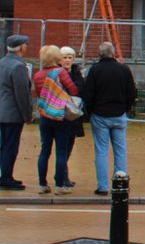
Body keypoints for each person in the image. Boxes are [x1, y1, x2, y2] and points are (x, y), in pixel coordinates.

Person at [81, 42, 137, 196]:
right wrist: (126, 107)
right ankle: (120, 183)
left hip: (99, 115)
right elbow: (132, 92)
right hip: (119, 114)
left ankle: (103, 186)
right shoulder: (124, 69)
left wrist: (90, 110)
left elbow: (88, 93)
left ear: (100, 55)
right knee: (120, 150)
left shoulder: (95, 70)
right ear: (113, 54)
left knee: (101, 151)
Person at [33, 45, 78, 195]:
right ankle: (59, 185)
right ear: (56, 58)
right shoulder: (61, 72)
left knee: (44, 150)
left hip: (45, 116)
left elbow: (40, 94)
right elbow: (73, 90)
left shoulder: (38, 75)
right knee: (61, 151)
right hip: (60, 117)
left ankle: (42, 184)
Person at [0, 35, 33, 190]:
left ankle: (5, 175)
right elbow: (22, 94)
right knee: (10, 146)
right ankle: (6, 178)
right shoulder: (18, 66)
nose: (27, 46)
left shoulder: (2, 62)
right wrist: (27, 115)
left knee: (4, 145)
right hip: (13, 113)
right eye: (25, 44)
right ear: (20, 47)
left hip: (2, 110)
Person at [59, 47, 85, 185]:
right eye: (65, 57)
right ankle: (62, 176)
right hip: (59, 115)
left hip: (73, 116)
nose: (67, 60)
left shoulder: (76, 72)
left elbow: (81, 88)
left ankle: (64, 175)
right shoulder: (56, 72)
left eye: (70, 57)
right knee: (61, 148)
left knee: (69, 146)